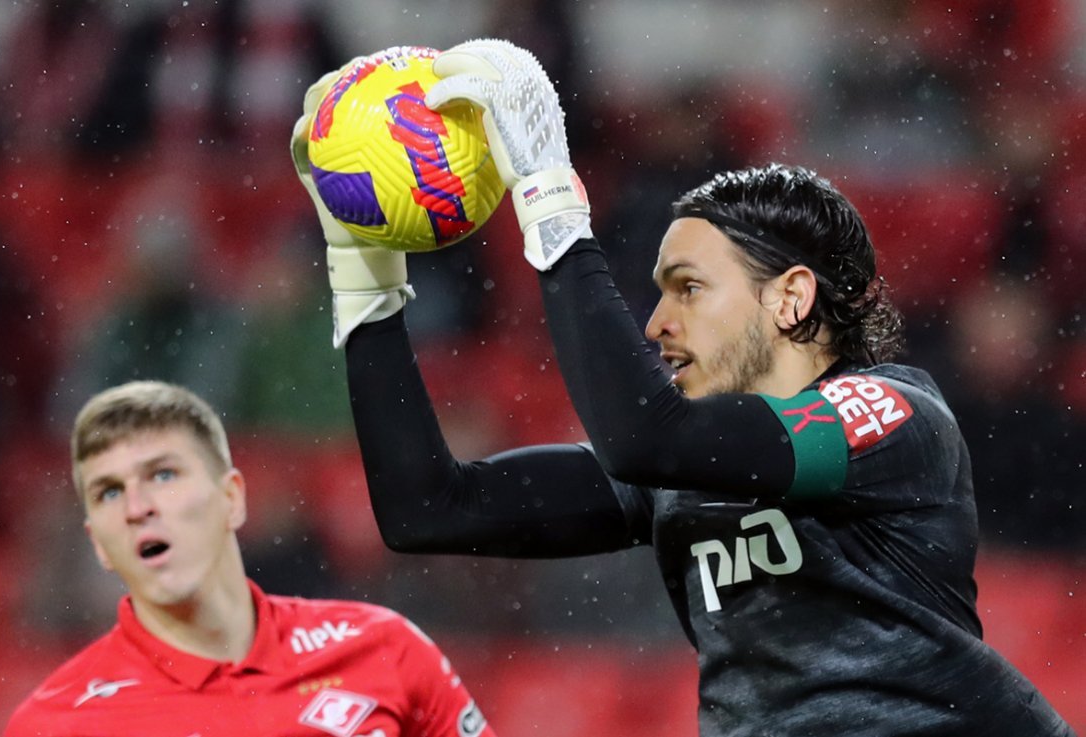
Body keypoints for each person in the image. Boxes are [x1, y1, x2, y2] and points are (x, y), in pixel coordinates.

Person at [292, 42, 1075, 736]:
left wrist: (550, 196)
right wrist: (366, 277)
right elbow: (429, 508)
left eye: (689, 288)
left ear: (791, 298)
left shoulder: (895, 415)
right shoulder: (680, 467)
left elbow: (650, 437)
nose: (657, 322)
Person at [5, 380, 493, 737]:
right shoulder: (55, 723)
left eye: (163, 474)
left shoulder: (381, 647)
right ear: (97, 542)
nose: (137, 507)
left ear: (232, 498)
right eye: (109, 492)